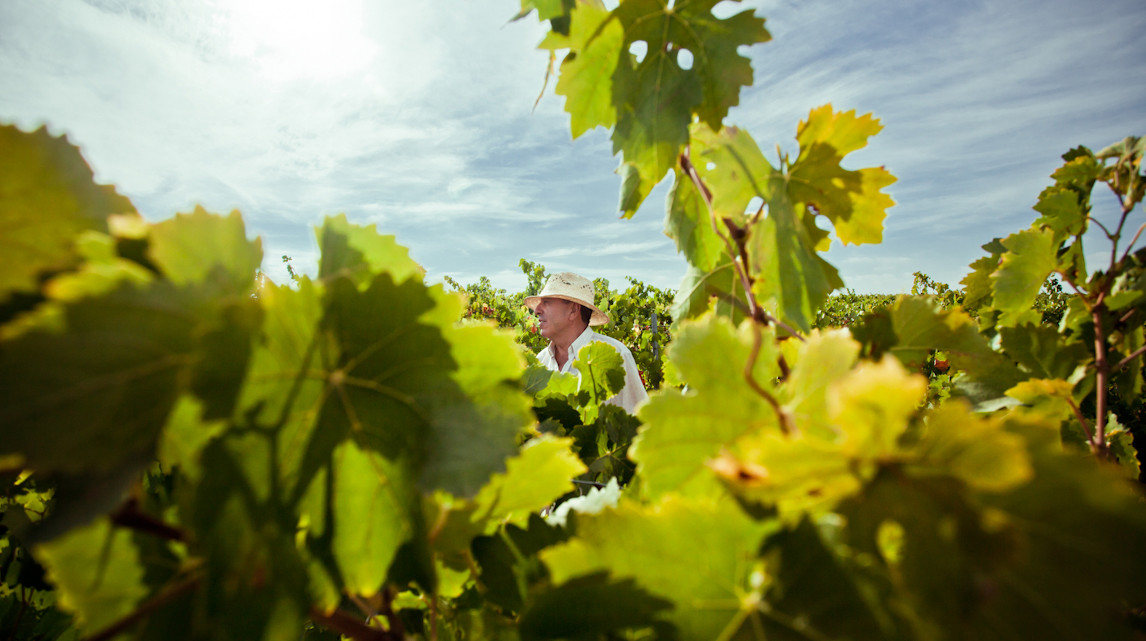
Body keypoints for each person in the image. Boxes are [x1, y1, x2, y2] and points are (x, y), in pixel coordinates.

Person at [524, 272, 648, 414]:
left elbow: (638, 421)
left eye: (547, 302)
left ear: (573, 310)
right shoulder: (541, 362)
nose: (537, 310)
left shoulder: (616, 356)